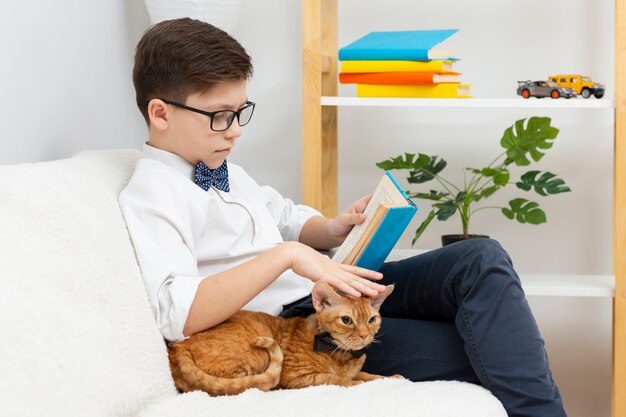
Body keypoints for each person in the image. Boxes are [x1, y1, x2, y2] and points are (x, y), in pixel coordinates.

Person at [118, 17, 567, 417]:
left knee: (479, 257)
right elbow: (178, 314)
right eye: (220, 116)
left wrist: (335, 227)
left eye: (240, 113)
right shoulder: (153, 194)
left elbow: (289, 218)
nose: (235, 130)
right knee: (491, 344)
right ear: (160, 113)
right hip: (295, 327)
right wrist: (288, 257)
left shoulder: (223, 167)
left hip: (328, 291)